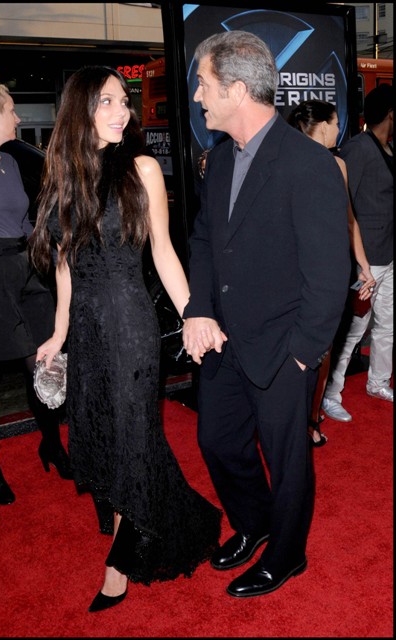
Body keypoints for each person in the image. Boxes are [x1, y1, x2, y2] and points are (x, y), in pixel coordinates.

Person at [30, 65, 221, 613]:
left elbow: (163, 250)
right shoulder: (62, 172)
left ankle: (118, 565)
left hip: (130, 327)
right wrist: (60, 332)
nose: (123, 112)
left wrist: (194, 315)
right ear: (81, 109)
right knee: (104, 434)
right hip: (87, 330)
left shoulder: (141, 168)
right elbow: (64, 261)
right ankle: (160, 519)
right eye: (108, 102)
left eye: (124, 101)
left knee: (134, 437)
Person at [182, 30, 351, 598]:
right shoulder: (218, 161)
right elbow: (204, 241)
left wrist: (303, 354)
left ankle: (287, 553)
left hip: (283, 347)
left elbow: (329, 275)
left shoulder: (310, 164)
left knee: (287, 460)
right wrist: (198, 309)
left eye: (204, 85)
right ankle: (254, 523)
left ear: (236, 89)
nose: (198, 97)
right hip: (223, 341)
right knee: (217, 442)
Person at [0, 82, 72, 507]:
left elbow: (24, 220)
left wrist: (51, 248)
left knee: (43, 363)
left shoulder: (11, 163)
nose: (17, 118)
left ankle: (51, 444)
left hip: (25, 271)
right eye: (12, 110)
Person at [287, 100, 375, 445]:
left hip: (309, 268)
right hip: (317, 270)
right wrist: (362, 265)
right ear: (323, 125)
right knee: (316, 345)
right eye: (336, 123)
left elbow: (350, 220)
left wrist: (363, 265)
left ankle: (305, 418)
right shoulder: (330, 164)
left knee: (314, 345)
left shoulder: (302, 160)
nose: (339, 130)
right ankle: (307, 420)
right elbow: (348, 221)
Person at [321, 83, 393, 422]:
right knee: (353, 330)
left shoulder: (388, 148)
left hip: (389, 254)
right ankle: (329, 394)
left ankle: (378, 382)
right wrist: (354, 260)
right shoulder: (359, 149)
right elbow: (343, 206)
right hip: (367, 260)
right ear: (390, 114)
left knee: (387, 324)